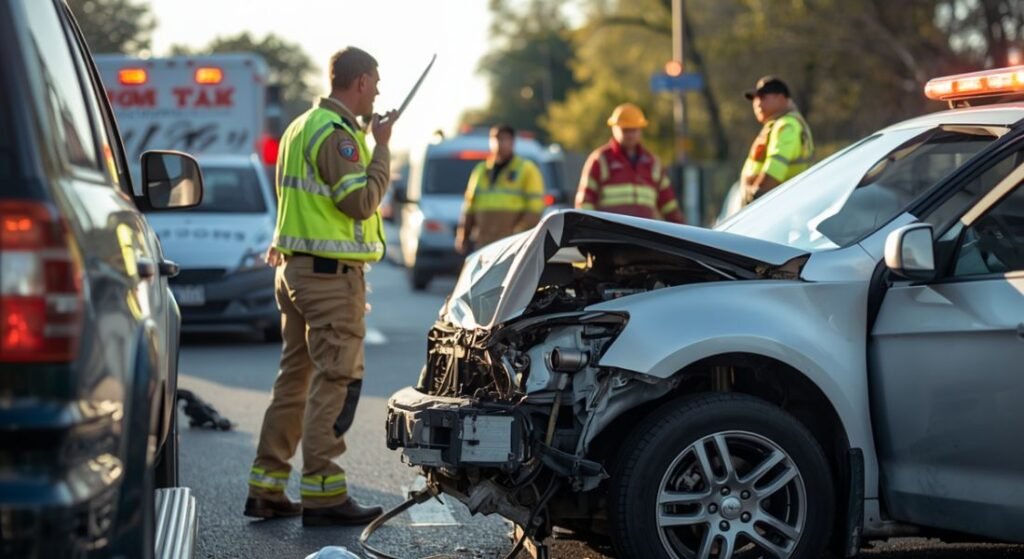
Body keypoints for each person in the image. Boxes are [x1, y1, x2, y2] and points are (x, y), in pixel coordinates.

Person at [244, 46, 397, 527]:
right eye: (375, 82)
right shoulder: (338, 135)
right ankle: (324, 493)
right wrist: (384, 146)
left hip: (294, 272)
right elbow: (360, 203)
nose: (378, 91)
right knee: (336, 380)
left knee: (295, 381)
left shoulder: (299, 127)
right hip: (329, 279)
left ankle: (267, 487)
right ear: (360, 81)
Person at [575, 103, 684, 223]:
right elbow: (585, 203)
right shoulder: (600, 160)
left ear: (640, 130)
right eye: (625, 130)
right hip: (609, 236)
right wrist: (589, 231)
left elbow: (669, 206)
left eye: (634, 130)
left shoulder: (652, 163)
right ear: (614, 128)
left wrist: (683, 234)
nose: (630, 134)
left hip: (643, 236)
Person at [454, 124, 545, 254]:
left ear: (512, 142)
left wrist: (518, 234)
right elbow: (470, 206)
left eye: (504, 139)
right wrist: (463, 234)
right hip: (483, 243)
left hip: (512, 244)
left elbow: (535, 209)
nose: (499, 143)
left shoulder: (526, 170)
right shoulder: (481, 170)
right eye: (496, 139)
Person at [740, 76, 814, 206]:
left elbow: (774, 171)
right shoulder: (779, 124)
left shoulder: (786, 126)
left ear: (781, 98)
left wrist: (754, 200)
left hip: (774, 208)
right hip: (777, 207)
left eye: (763, 97)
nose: (757, 103)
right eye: (754, 99)